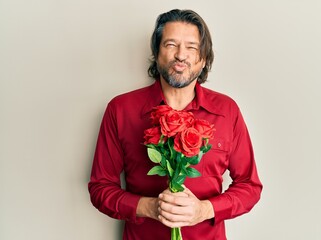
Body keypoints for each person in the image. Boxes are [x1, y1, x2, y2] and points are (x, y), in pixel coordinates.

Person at [88, 9, 262, 240]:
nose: (181, 55)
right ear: (157, 52)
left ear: (203, 58)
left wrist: (204, 210)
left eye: (192, 47)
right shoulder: (120, 110)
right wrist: (149, 207)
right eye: (171, 44)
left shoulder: (227, 111)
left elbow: (250, 186)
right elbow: (100, 188)